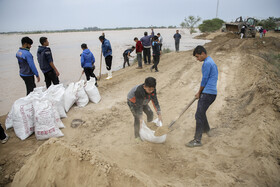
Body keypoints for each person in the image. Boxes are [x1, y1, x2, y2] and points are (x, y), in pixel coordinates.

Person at [186, 45, 218, 148]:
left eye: (197, 56)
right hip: (212, 93)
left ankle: (197, 140)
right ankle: (207, 130)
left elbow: (204, 80)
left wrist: (199, 92)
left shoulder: (207, 63)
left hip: (208, 93)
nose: (197, 59)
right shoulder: (210, 61)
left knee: (198, 115)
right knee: (201, 112)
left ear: (203, 54)